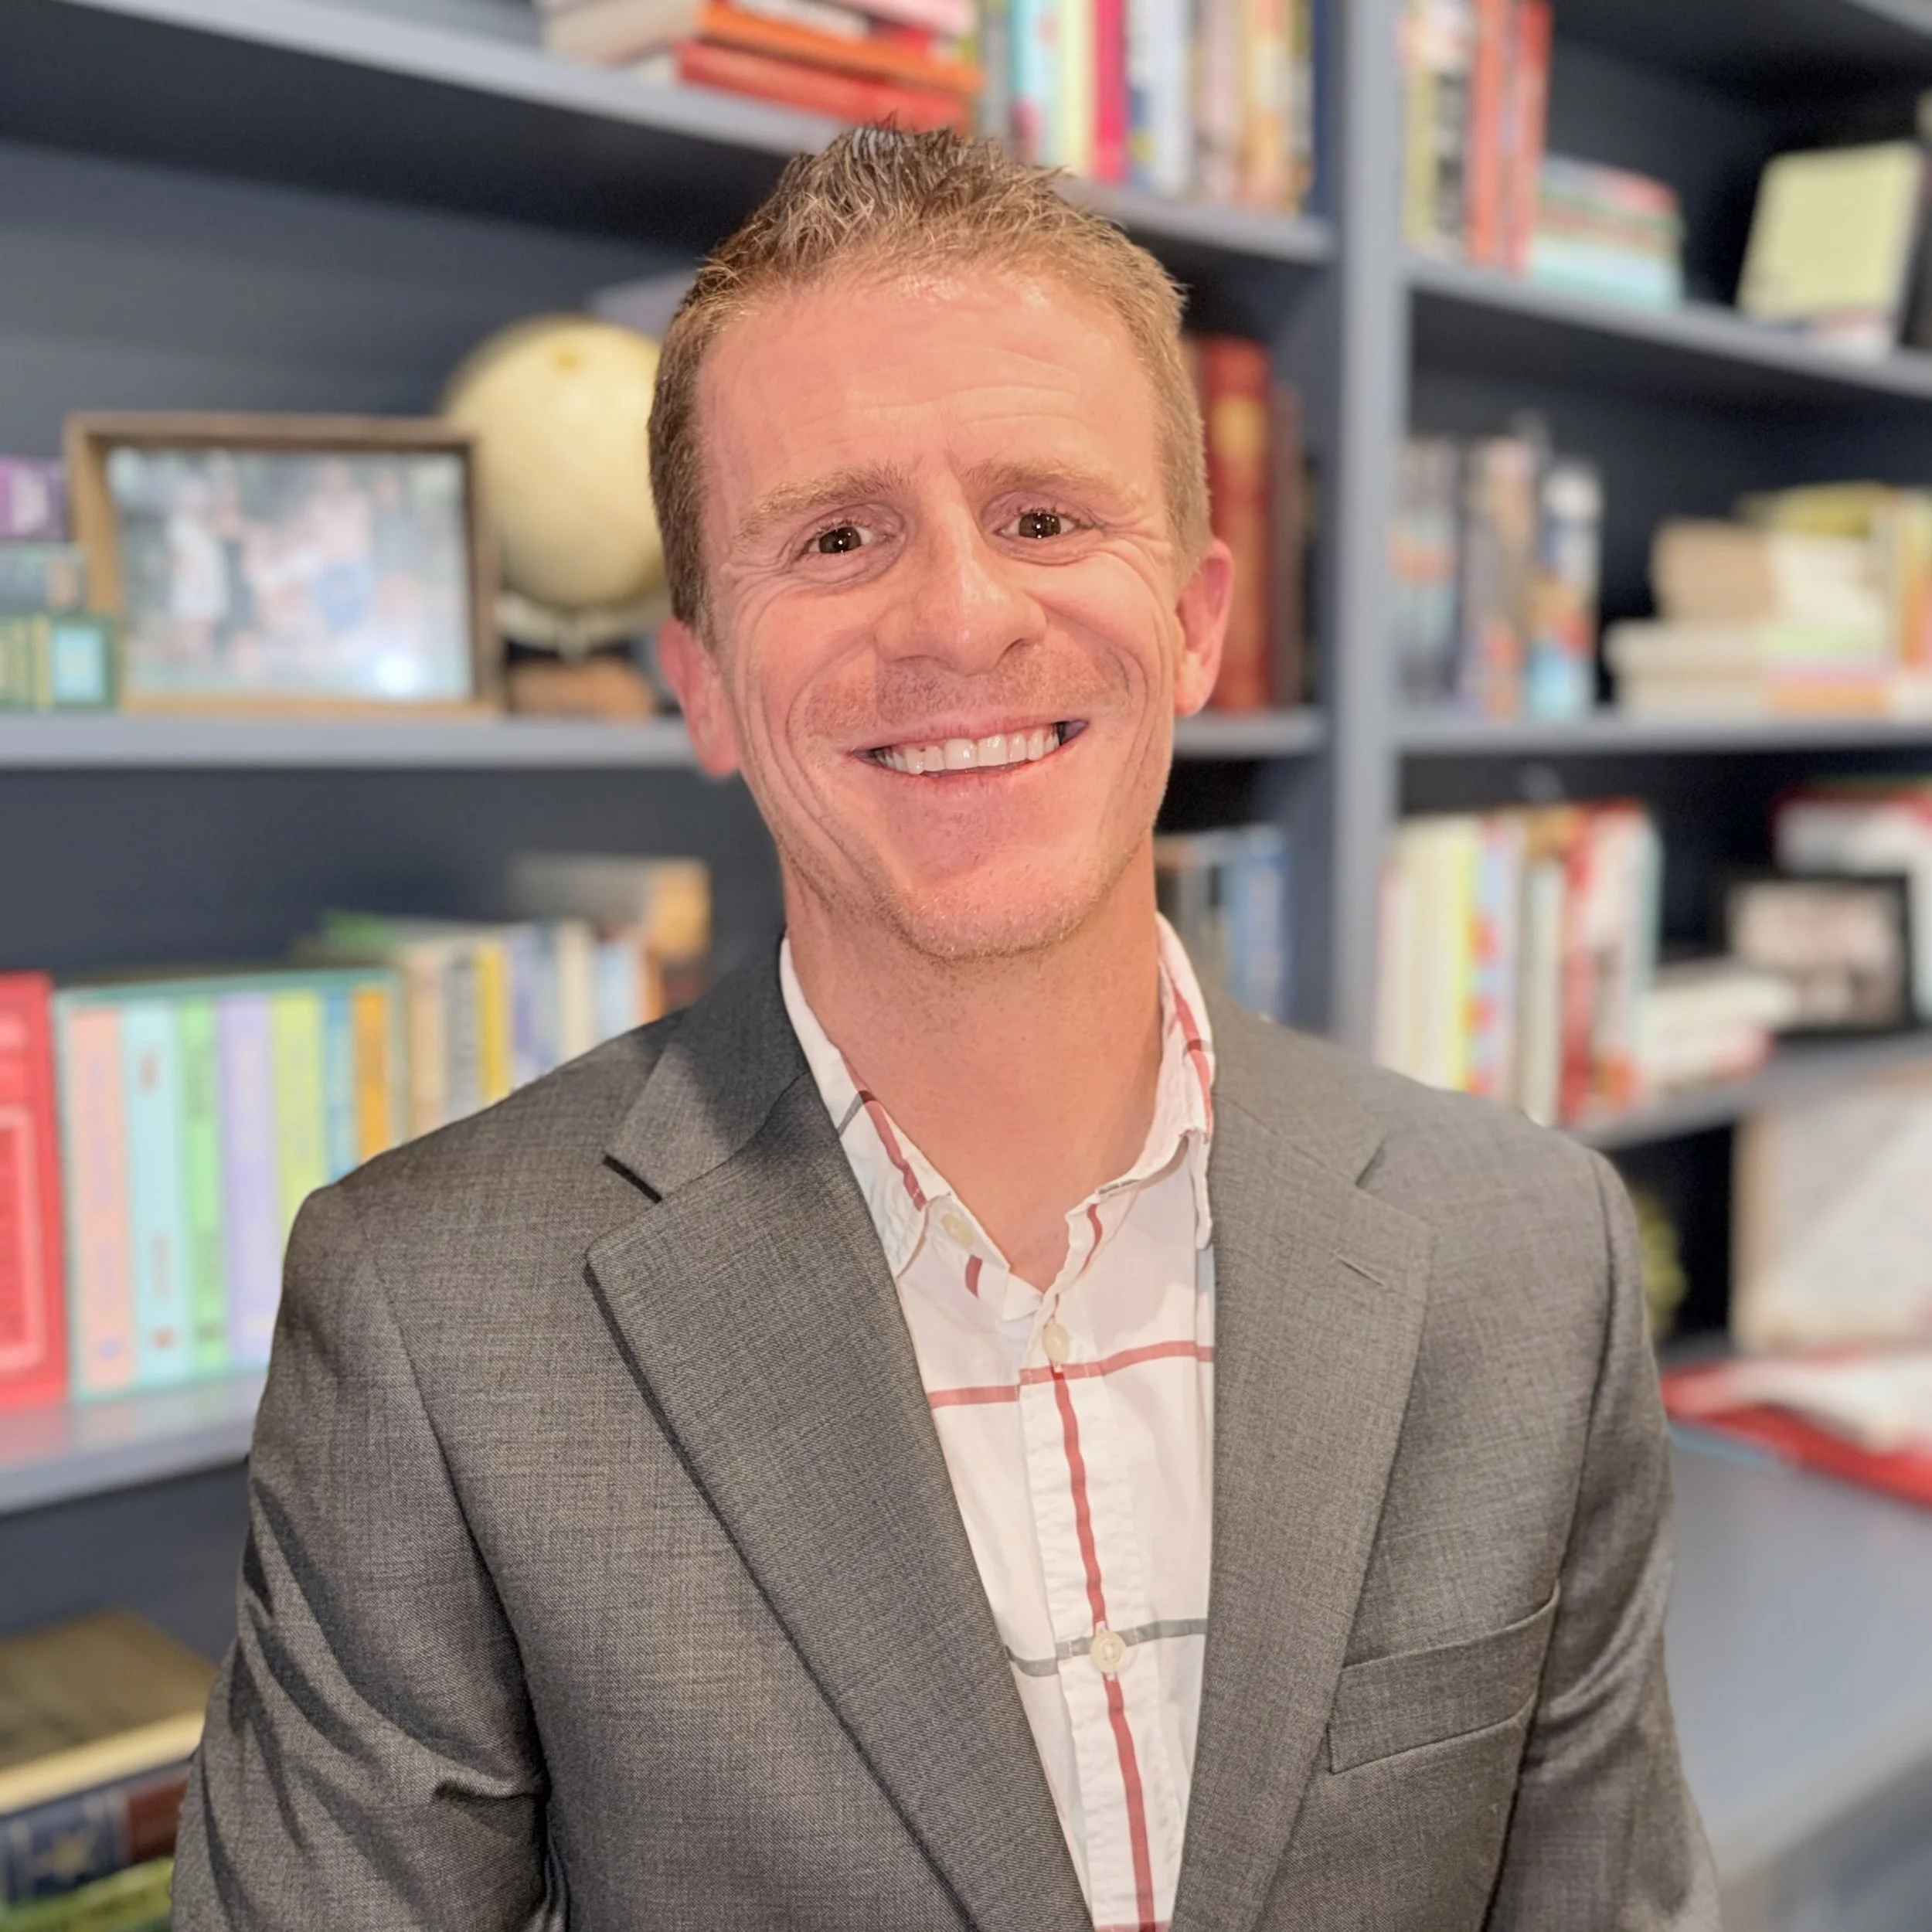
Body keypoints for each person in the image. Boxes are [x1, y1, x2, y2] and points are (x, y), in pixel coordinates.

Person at [174, 129, 1718, 1932]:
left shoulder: (1526, 1254)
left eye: (1045, 516)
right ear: (701, 683)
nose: (961, 617)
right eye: (835, 535)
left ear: (1196, 619)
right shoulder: (436, 1318)